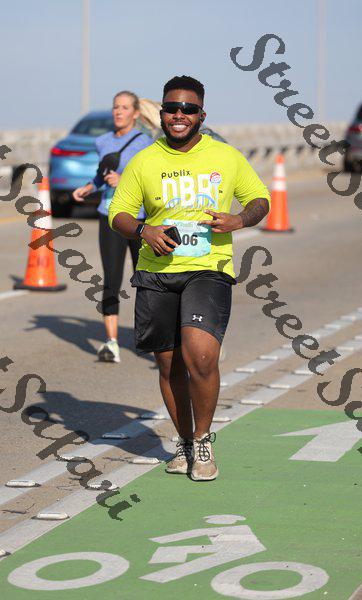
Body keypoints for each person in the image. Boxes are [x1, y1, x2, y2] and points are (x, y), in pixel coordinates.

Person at [109, 76, 270, 480]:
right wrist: (143, 230)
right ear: (161, 113)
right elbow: (118, 213)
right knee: (169, 366)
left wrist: (238, 219)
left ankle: (202, 440)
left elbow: (260, 199)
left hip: (208, 267)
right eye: (171, 108)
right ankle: (182, 441)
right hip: (157, 272)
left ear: (201, 115)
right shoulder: (145, 161)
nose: (179, 115)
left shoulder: (225, 156)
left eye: (188, 109)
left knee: (200, 355)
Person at [72, 91, 153, 363]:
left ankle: (152, 338)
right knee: (111, 279)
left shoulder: (145, 143)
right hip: (110, 215)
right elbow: (102, 174)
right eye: (116, 107)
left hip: (139, 219)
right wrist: (89, 187)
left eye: (125, 107)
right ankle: (111, 342)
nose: (118, 111)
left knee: (146, 280)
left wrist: (125, 179)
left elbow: (151, 179)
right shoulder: (103, 141)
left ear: (136, 113)